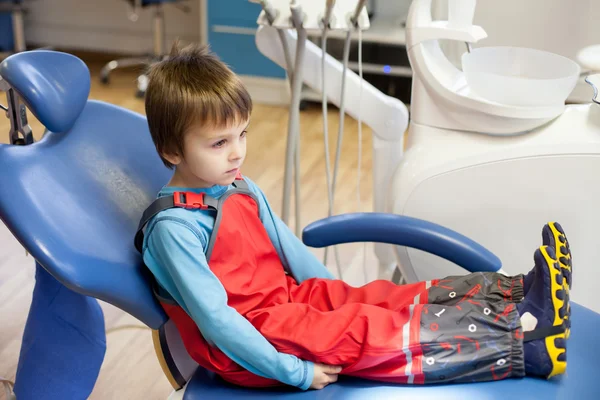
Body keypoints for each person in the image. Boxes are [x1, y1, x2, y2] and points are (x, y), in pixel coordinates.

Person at [135, 42, 571, 391]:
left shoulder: (238, 187)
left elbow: (290, 252)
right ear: (173, 151)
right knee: (367, 327)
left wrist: (341, 296)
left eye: (243, 133)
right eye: (219, 143)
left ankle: (514, 293)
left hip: (284, 304)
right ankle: (523, 339)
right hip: (251, 342)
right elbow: (217, 321)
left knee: (381, 298)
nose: (237, 152)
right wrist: (295, 372)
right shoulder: (172, 229)